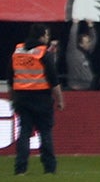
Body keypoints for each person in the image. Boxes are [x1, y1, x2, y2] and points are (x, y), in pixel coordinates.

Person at [11, 24, 62, 173]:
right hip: (41, 98)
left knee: (24, 133)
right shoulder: (43, 53)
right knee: (45, 132)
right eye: (46, 35)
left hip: (21, 97)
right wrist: (60, 100)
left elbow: (10, 76)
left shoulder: (18, 51)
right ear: (41, 36)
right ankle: (49, 168)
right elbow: (54, 80)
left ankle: (20, 168)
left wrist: (13, 97)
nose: (47, 38)